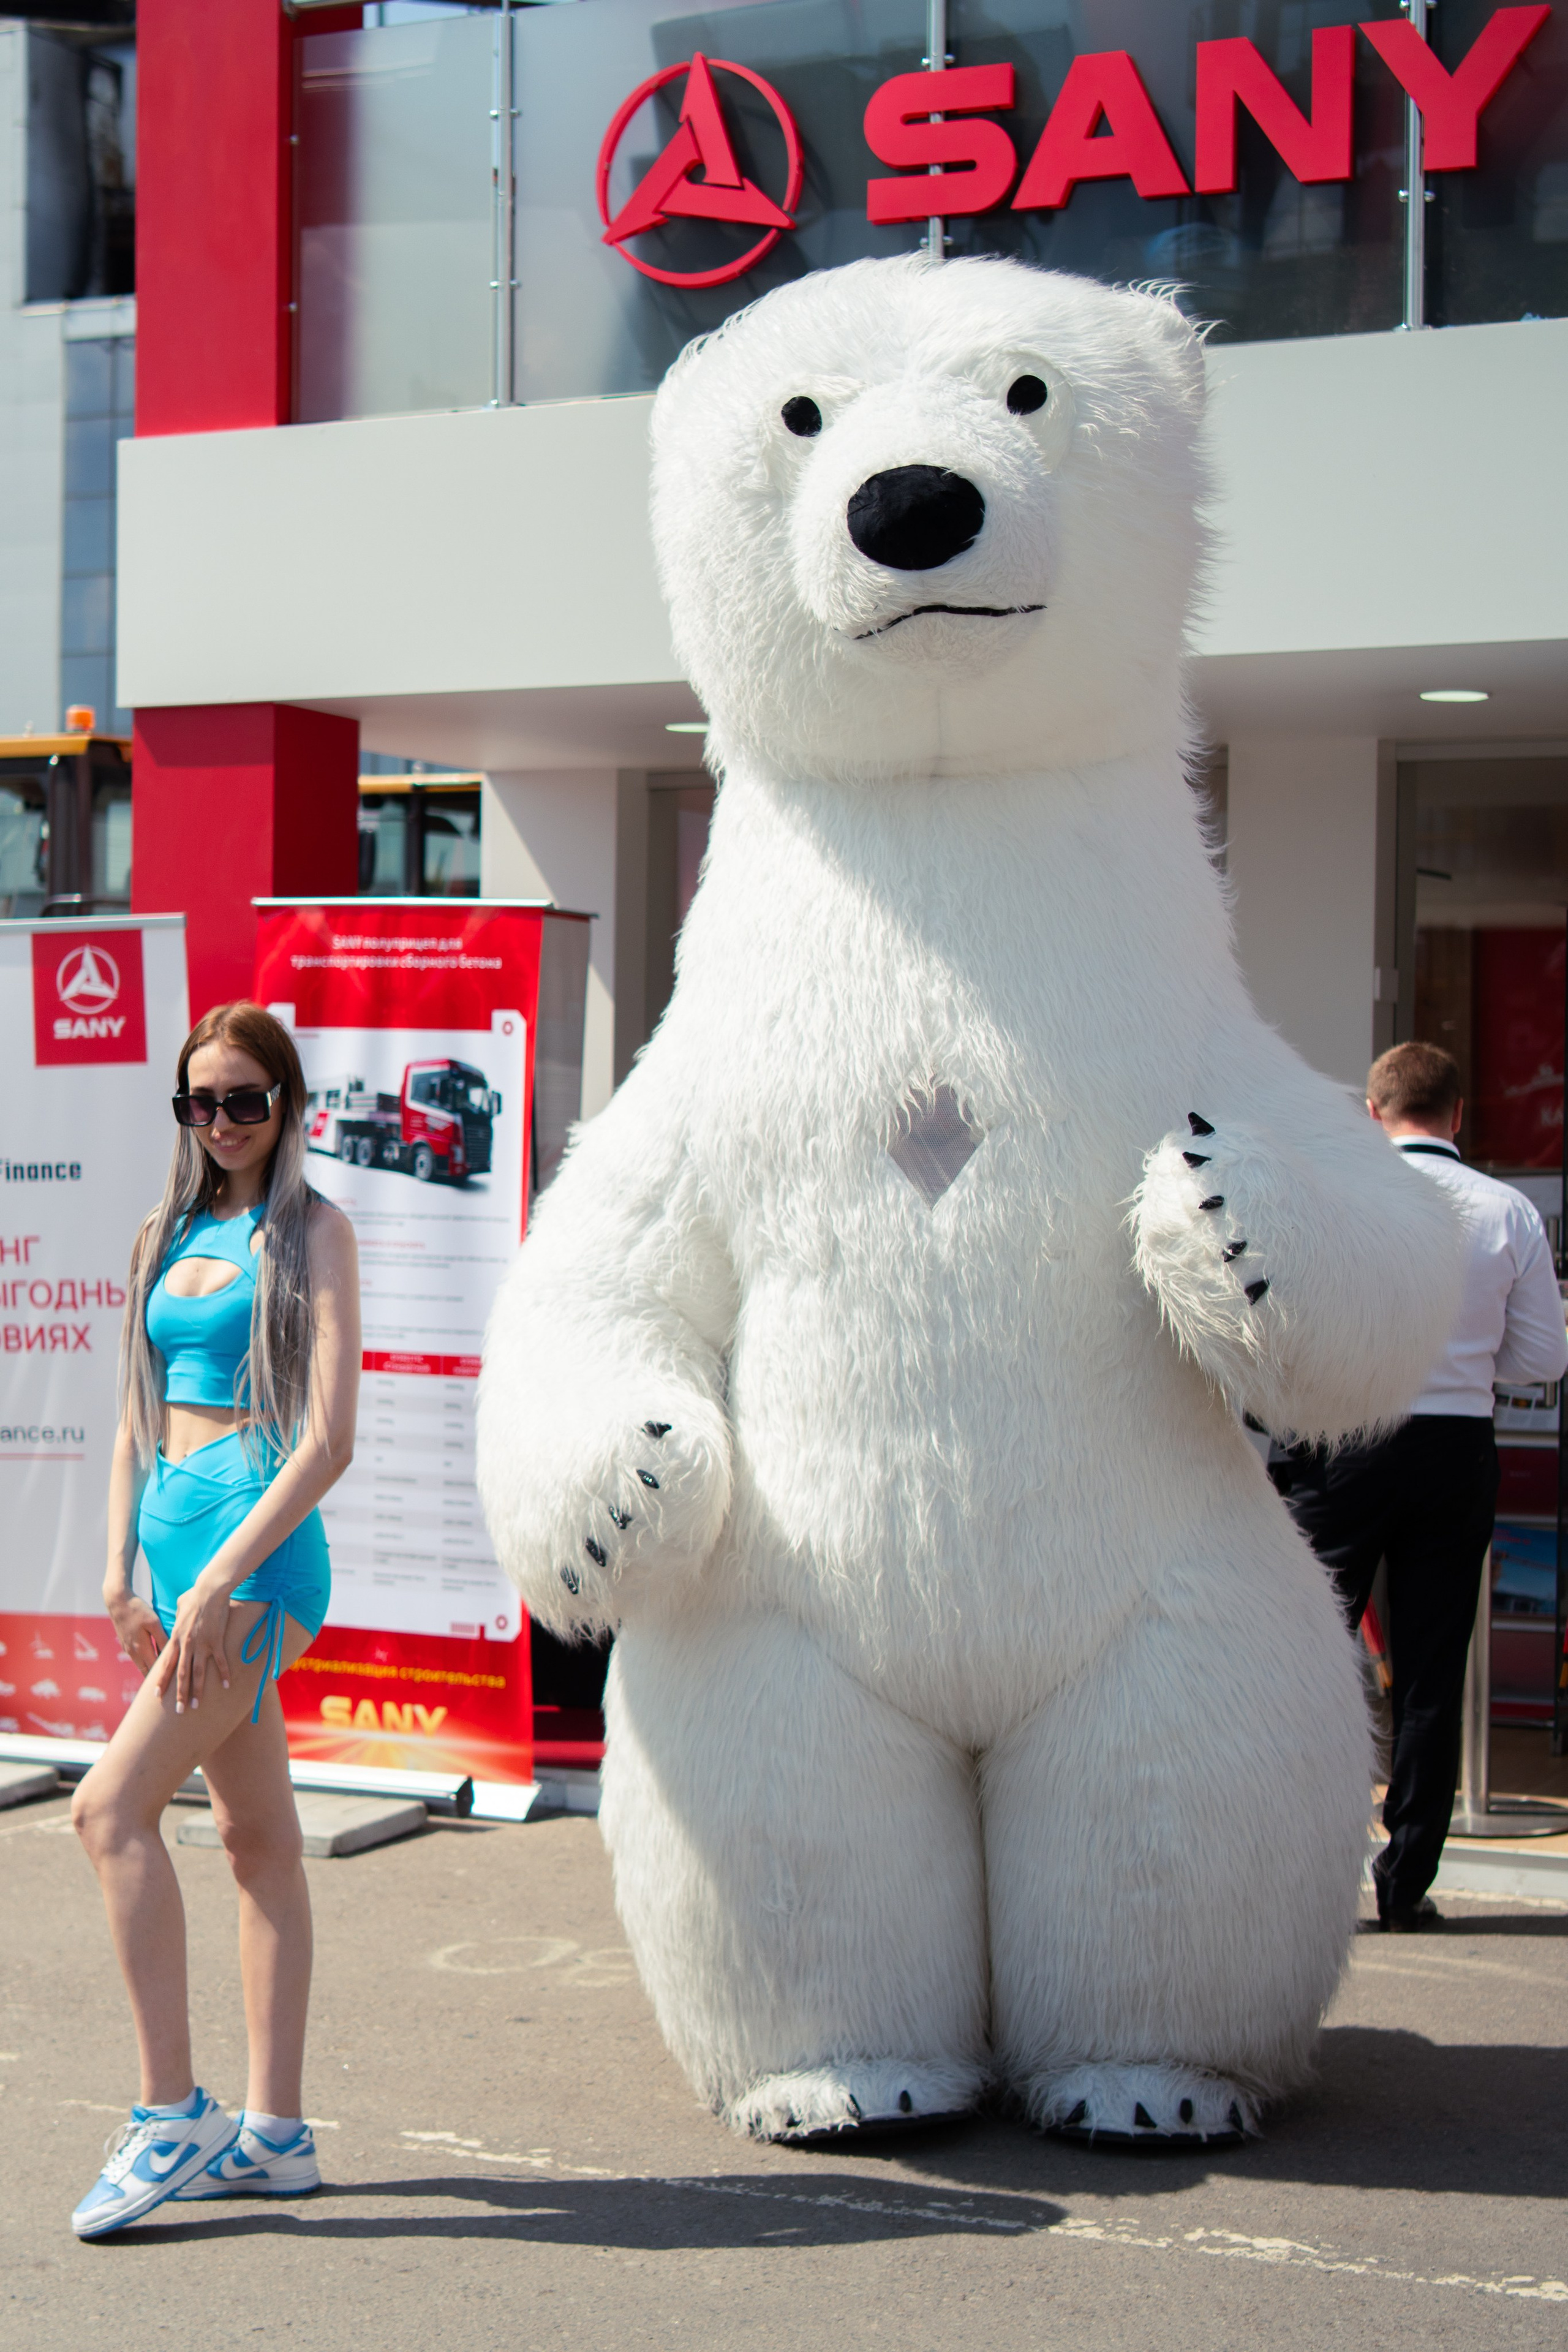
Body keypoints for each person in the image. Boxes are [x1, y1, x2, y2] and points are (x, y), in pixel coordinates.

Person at [69, 1001, 360, 2237]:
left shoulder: (314, 1233)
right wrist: (118, 1573)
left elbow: (329, 1441)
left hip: (256, 1565)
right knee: (254, 1844)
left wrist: (216, 1581)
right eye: (203, 1101)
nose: (225, 1120)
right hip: (176, 1565)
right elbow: (136, 1412)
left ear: (285, 1103)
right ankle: (277, 2135)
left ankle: (169, 2112)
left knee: (107, 1810)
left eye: (247, 1098)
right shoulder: (162, 1231)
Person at [1284, 1041, 1567, 1932]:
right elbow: (1544, 1360)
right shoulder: (1508, 1210)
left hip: (1350, 1437)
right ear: (1457, 1115)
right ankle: (1405, 1881)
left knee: (1310, 1657)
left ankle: (1298, 1876)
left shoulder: (1338, 1198)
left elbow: (1293, 1327)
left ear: (1373, 1112)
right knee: (1433, 1670)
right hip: (1455, 1447)